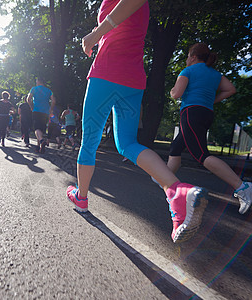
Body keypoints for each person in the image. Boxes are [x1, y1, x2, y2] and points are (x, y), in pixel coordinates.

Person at [67, 0, 208, 243]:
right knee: (127, 144)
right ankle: (177, 191)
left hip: (105, 74)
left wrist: (94, 34)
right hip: (132, 80)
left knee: (89, 140)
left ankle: (81, 197)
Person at [165, 42, 252, 215]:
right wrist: (211, 100)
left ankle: (243, 187)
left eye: (187, 56)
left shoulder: (188, 71)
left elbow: (176, 94)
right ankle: (164, 179)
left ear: (193, 57)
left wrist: (172, 91)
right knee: (176, 147)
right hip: (206, 113)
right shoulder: (215, 74)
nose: (186, 59)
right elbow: (231, 89)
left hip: (191, 112)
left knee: (201, 155)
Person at [27, 77, 56, 153]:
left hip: (36, 111)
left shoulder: (34, 89)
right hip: (45, 112)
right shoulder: (49, 91)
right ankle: (38, 146)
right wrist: (51, 109)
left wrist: (31, 107)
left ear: (38, 81)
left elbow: (28, 99)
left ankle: (41, 141)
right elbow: (53, 101)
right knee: (41, 129)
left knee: (36, 129)